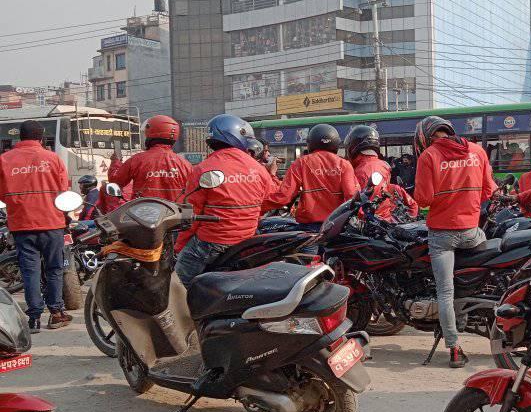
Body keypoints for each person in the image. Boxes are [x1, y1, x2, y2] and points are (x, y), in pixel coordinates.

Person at [413, 116, 497, 367]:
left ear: (424, 138)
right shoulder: (476, 151)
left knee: (444, 293)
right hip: (471, 232)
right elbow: (489, 190)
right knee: (484, 241)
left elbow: (424, 200)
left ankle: (454, 348)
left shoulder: (428, 156)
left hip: (442, 235)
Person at [174, 116, 276, 286]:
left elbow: (189, 213)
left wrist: (179, 246)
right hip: (247, 239)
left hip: (210, 242)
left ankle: (178, 311)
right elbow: (269, 200)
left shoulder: (203, 168)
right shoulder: (257, 168)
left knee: (176, 283)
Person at [0, 121, 72, 332]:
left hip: (21, 224)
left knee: (29, 271)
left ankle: (34, 319)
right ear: (41, 138)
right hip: (52, 223)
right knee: (54, 269)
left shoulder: (4, 160)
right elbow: (63, 192)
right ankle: (56, 313)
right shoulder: (53, 159)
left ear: (19, 137)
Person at [264, 124, 357, 233]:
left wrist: (257, 206)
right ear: (336, 143)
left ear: (311, 143)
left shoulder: (301, 163)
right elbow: (352, 196)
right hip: (335, 227)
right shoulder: (344, 164)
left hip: (309, 228)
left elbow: (284, 197)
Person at [108, 115, 192, 202]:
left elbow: (116, 181)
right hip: (175, 214)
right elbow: (193, 193)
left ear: (150, 135)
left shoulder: (137, 160)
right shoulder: (186, 165)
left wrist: (115, 161)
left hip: (141, 212)